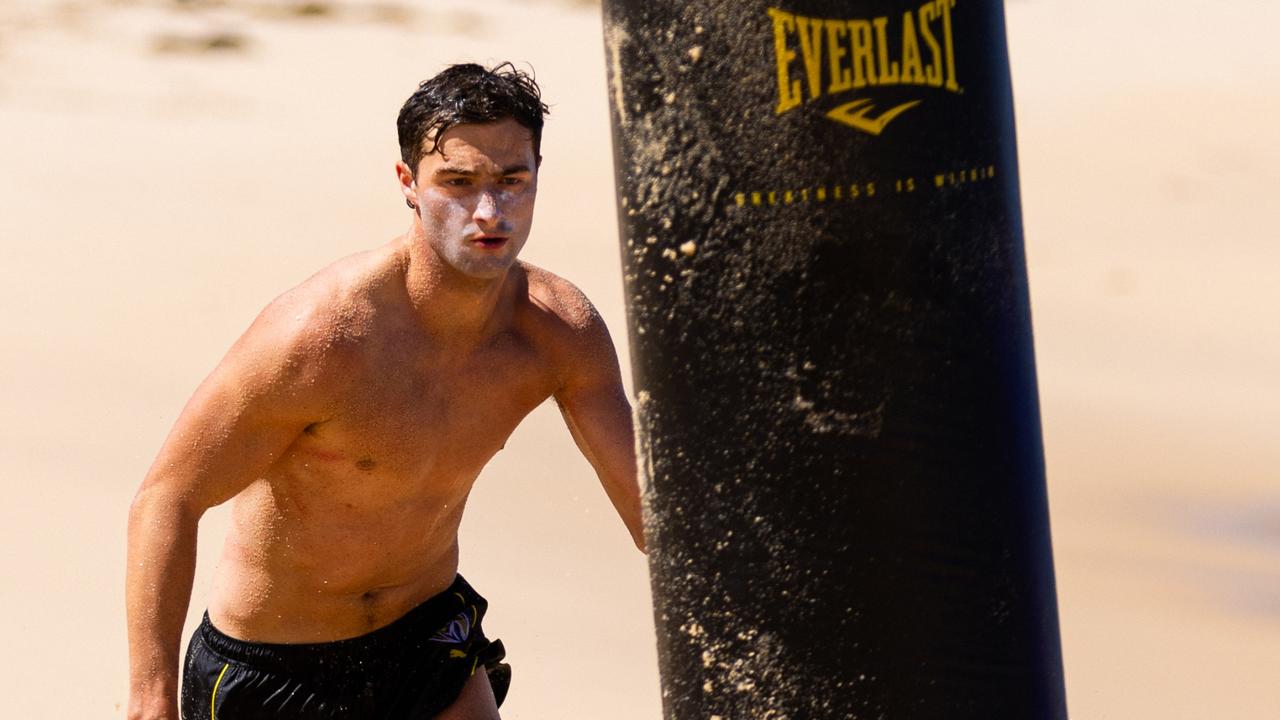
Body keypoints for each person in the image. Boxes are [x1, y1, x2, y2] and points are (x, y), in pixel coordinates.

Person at [126, 62, 645, 720]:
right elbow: (167, 496)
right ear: (408, 183)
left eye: (513, 181)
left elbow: (657, 524)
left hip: (425, 636)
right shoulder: (324, 338)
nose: (491, 212)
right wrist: (150, 701)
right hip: (277, 666)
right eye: (458, 184)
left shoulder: (556, 333)